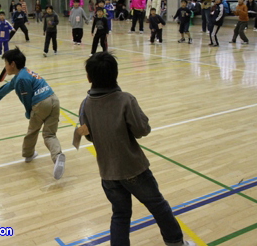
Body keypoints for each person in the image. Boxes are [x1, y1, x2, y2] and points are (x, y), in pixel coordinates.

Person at [74, 52, 196, 246]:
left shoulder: (85, 104)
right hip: (133, 169)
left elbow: (88, 135)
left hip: (108, 173)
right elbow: (142, 130)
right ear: (116, 74)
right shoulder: (125, 100)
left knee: (120, 215)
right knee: (158, 206)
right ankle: (176, 243)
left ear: (89, 77)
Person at [0, 47, 65, 180]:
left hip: (41, 103)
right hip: (54, 99)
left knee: (32, 131)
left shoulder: (21, 80)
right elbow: (9, 86)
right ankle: (57, 156)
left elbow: (26, 99)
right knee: (49, 134)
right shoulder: (24, 73)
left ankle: (28, 154)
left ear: (12, 64)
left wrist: (28, 112)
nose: (5, 66)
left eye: (5, 63)